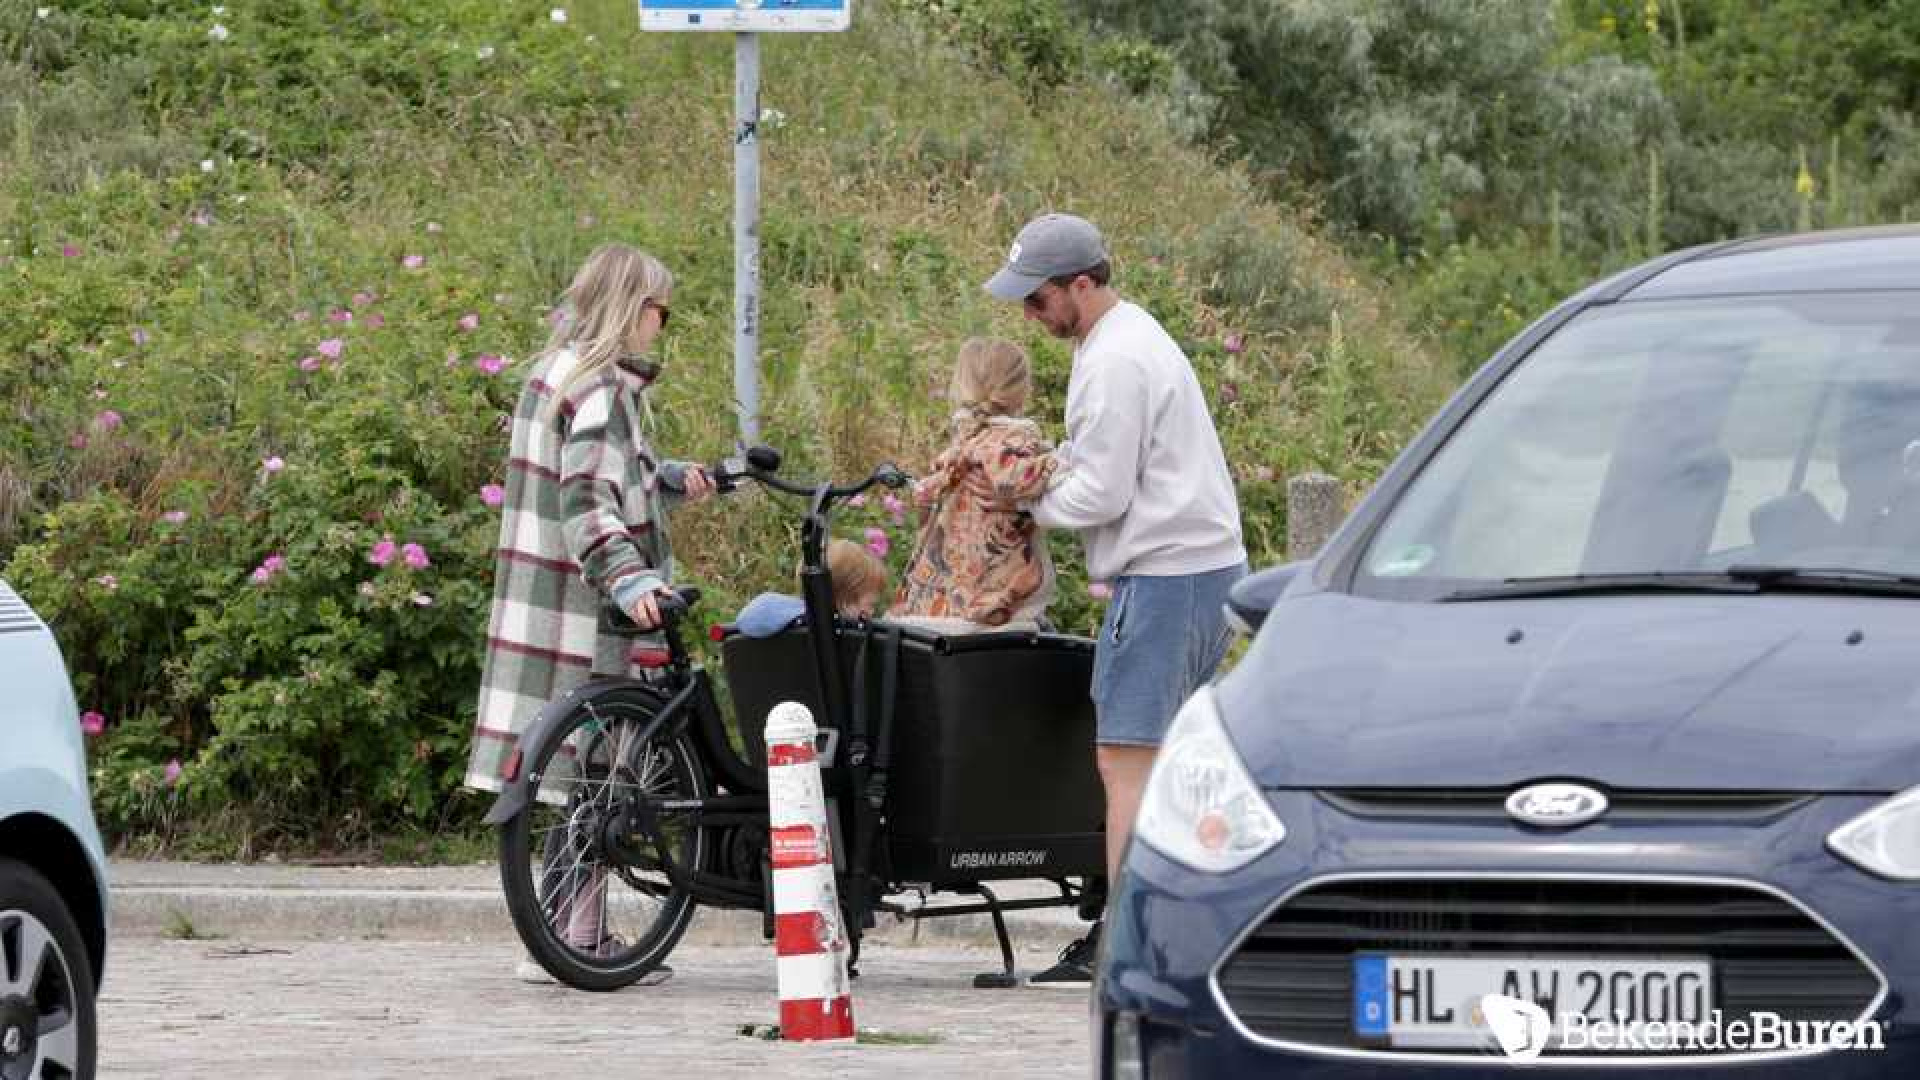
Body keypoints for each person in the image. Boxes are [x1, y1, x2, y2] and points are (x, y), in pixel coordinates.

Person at [985, 213, 1247, 985]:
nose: (1030, 318)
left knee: (1125, 759)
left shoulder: (1115, 361)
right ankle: (1181, 929)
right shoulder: (1131, 338)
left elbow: (1100, 491)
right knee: (1171, 761)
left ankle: (1127, 943)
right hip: (1202, 570)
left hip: (1168, 577)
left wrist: (1024, 500)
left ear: (1083, 284)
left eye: (1038, 301)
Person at [464, 243, 713, 985]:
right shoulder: (602, 389)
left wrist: (666, 479)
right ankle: (574, 938)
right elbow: (587, 503)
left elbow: (593, 472)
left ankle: (570, 934)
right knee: (599, 779)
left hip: (537, 607)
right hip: (583, 613)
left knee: (575, 783)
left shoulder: (554, 375)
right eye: (660, 311)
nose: (661, 327)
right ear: (633, 308)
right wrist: (629, 579)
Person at [889, 338, 1057, 633]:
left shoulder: (963, 443)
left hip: (938, 604)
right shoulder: (1011, 444)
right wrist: (1064, 460)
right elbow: (1027, 479)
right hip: (991, 607)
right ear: (1022, 391)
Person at [735, 538, 889, 636]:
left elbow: (749, 619)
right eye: (870, 605)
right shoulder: (842, 637)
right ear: (844, 599)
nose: (871, 613)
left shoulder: (787, 625)